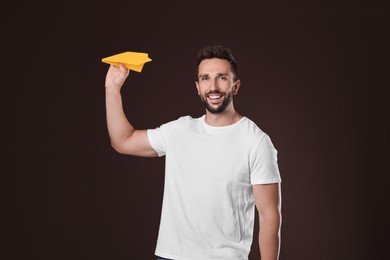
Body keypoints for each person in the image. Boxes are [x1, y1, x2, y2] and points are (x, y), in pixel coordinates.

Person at [104, 45, 282, 260]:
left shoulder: (255, 142)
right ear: (198, 87)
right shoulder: (179, 130)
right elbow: (123, 140)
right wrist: (112, 89)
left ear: (235, 86)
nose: (213, 86)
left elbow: (269, 215)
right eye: (205, 78)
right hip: (170, 256)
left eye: (222, 78)